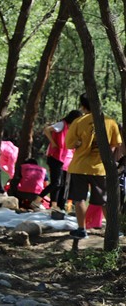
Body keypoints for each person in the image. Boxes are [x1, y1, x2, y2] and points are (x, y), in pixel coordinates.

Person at [65, 93, 123, 239]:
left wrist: (80, 144)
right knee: (104, 200)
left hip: (79, 167)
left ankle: (81, 229)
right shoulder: (110, 122)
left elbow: (69, 144)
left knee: (79, 199)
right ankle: (113, 230)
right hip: (100, 168)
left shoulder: (78, 122)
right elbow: (117, 144)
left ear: (83, 106)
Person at [41, 109, 82, 219]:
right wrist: (53, 143)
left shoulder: (71, 128)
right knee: (57, 183)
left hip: (63, 159)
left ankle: (56, 206)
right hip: (55, 157)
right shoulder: (62, 125)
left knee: (61, 184)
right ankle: (37, 199)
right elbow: (46, 130)